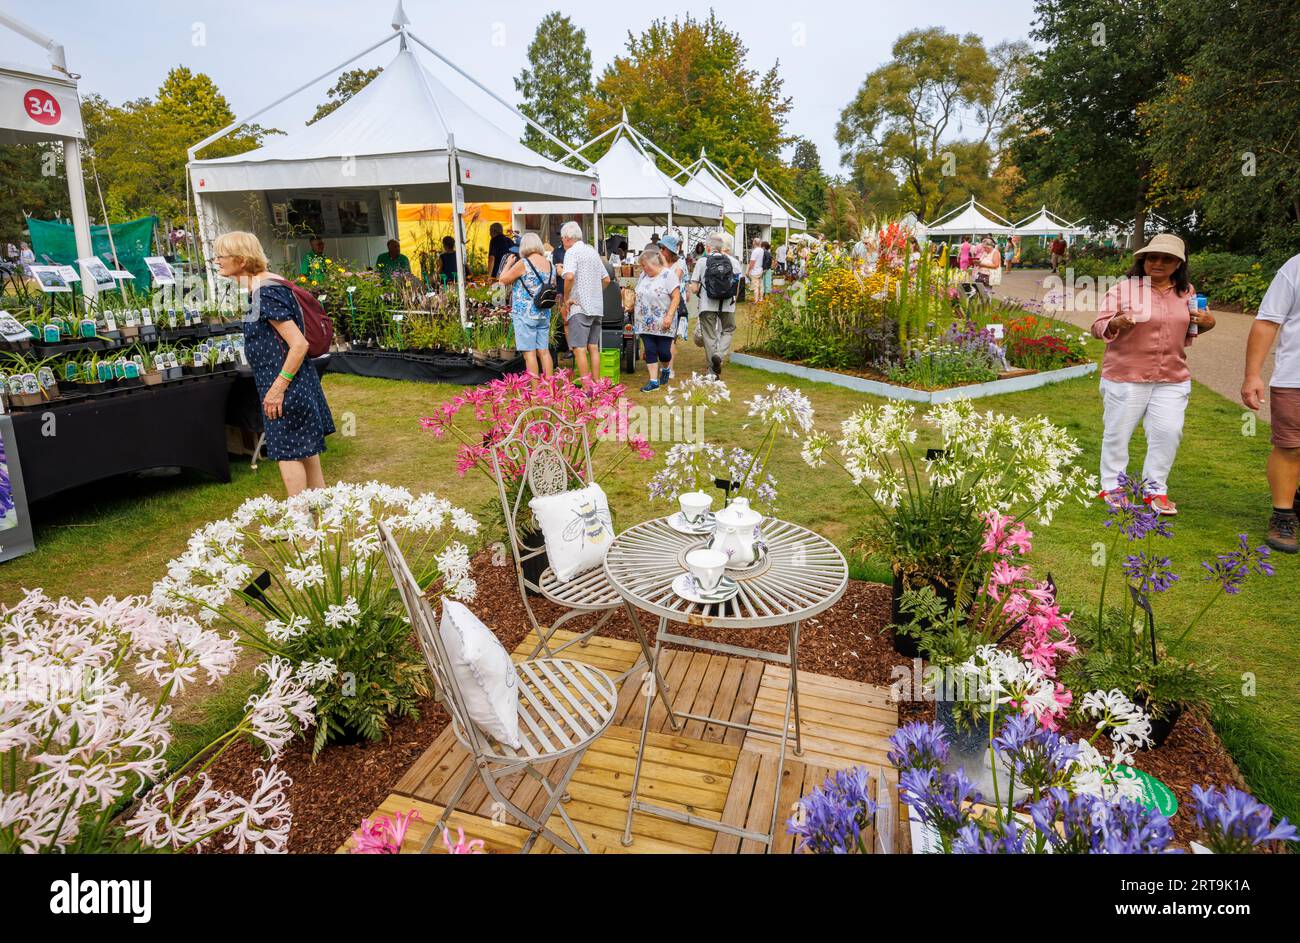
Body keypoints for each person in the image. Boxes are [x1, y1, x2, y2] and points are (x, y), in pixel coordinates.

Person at [1091, 234, 1215, 516]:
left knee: (1168, 433)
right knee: (1117, 433)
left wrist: (1209, 322)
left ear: (1178, 264)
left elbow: (1190, 329)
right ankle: (1112, 486)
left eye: (1167, 259)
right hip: (1126, 374)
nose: (1158, 263)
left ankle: (1155, 490)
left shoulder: (1187, 292)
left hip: (1171, 376)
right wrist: (1116, 322)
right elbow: (1097, 327)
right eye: (1152, 257)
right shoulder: (1124, 289)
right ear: (1143, 261)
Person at [215, 231, 334, 497]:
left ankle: (302, 531)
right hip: (298, 384)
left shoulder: (264, 293)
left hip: (286, 390)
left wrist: (278, 388)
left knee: (289, 455)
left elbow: (299, 344)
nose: (217, 261)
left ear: (242, 260)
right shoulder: (273, 283)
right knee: (307, 454)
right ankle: (324, 526)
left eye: (221, 256)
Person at [1242, 252, 1300, 552]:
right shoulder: (1295, 266)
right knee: (1290, 446)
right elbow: (1267, 322)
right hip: (1295, 377)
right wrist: (1252, 375)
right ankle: (1283, 515)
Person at [498, 232, 556, 378]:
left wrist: (508, 263)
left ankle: (536, 393)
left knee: (529, 354)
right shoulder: (550, 265)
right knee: (544, 352)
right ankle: (550, 389)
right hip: (544, 313)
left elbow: (502, 280)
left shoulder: (524, 263)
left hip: (525, 314)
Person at [688, 230, 742, 379]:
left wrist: (697, 289)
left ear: (708, 247)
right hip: (728, 305)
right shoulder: (734, 262)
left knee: (709, 336)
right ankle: (720, 354)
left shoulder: (702, 262)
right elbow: (736, 287)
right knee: (729, 329)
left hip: (707, 305)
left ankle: (712, 373)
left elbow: (694, 288)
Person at [558, 221, 609, 381]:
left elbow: (570, 276)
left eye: (562, 239)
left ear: (567, 238)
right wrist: (593, 292)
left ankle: (587, 388)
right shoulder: (592, 251)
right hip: (596, 306)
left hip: (580, 307)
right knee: (593, 347)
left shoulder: (571, 252)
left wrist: (566, 299)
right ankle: (596, 384)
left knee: (579, 349)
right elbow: (606, 279)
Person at [633, 246, 680, 392]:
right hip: (644, 321)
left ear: (653, 263)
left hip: (664, 321)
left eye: (644, 265)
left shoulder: (668, 275)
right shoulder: (643, 276)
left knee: (664, 352)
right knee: (650, 349)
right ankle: (653, 381)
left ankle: (665, 369)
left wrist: (669, 316)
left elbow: (676, 297)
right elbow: (638, 292)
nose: (643, 268)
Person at [660, 234, 689, 382]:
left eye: (662, 248)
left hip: (674, 303)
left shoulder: (680, 264)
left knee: (670, 338)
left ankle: (670, 369)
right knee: (661, 336)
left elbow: (672, 280)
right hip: (660, 304)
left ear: (669, 250)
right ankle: (665, 365)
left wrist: (664, 264)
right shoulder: (659, 262)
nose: (660, 250)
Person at [747, 237, 765, 304]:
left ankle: (756, 300)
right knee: (761, 285)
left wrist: (748, 271)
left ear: (754, 243)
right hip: (760, 269)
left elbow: (752, 262)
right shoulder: (761, 250)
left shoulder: (755, 251)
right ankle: (761, 298)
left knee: (756, 286)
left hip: (755, 270)